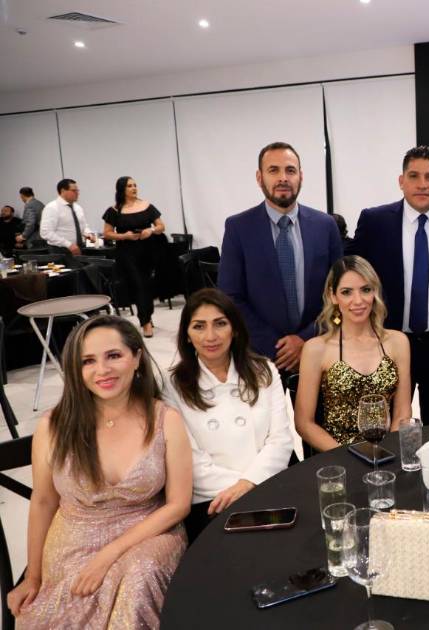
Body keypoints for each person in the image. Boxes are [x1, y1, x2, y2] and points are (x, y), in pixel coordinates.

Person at [7, 315, 191, 627]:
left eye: (114, 355)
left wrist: (109, 554)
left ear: (137, 358)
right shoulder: (53, 426)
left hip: (148, 533)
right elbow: (43, 501)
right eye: (88, 361)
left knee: (139, 578)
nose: (102, 370)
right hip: (73, 541)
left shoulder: (165, 419)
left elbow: (178, 504)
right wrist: (33, 576)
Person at [351, 146, 429, 424]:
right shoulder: (375, 221)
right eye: (414, 176)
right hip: (387, 342)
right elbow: (351, 271)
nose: (422, 184)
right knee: (387, 422)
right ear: (401, 181)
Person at [165, 288, 294, 542]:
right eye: (199, 326)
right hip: (214, 498)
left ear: (234, 329)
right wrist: (240, 487)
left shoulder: (264, 370)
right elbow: (190, 460)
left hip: (269, 481)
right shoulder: (173, 385)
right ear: (187, 335)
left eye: (220, 324)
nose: (210, 336)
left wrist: (250, 483)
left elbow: (281, 439)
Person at [218, 141, 343, 374]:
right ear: (259, 177)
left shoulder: (325, 226)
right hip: (259, 356)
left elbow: (340, 295)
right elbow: (230, 297)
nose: (283, 178)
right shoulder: (238, 228)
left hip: (319, 350)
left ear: (301, 176)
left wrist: (306, 339)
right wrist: (276, 347)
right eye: (273, 170)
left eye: (290, 170)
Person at [294, 256, 412, 451]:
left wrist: (386, 453)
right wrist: (347, 457)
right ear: (332, 295)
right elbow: (304, 423)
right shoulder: (316, 349)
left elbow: (403, 412)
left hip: (387, 453)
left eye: (365, 290)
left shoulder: (397, 342)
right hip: (338, 455)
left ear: (375, 292)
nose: (358, 301)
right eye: (346, 292)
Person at [102, 176, 166, 338]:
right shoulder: (114, 210)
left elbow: (161, 226)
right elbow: (107, 233)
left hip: (147, 250)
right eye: (130, 186)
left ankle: (147, 315)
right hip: (127, 252)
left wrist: (150, 230)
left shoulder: (146, 206)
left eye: (135, 185)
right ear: (122, 189)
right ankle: (145, 322)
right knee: (138, 284)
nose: (134, 188)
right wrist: (124, 236)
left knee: (147, 285)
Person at [39, 178, 97, 264]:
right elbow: (45, 232)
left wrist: (89, 234)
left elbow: (83, 226)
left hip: (78, 249)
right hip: (60, 251)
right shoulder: (52, 208)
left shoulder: (78, 208)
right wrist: (68, 244)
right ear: (63, 191)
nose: (77, 193)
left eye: (77, 191)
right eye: (74, 191)